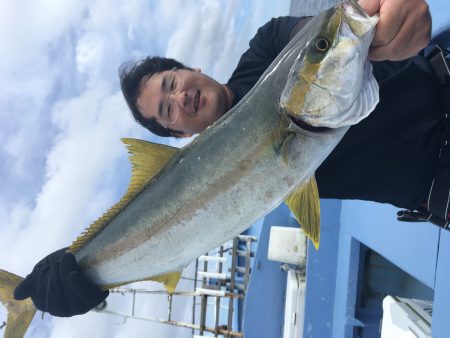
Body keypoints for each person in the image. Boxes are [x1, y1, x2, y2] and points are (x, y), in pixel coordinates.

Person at [14, 0, 446, 317]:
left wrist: (388, 17)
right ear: (181, 135)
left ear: (193, 69)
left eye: (172, 82)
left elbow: (334, 38)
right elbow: (175, 234)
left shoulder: (268, 48)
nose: (180, 97)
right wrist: (83, 275)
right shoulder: (198, 179)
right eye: (167, 112)